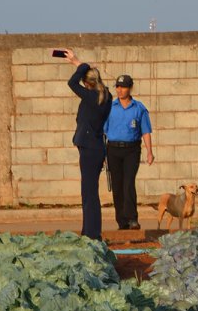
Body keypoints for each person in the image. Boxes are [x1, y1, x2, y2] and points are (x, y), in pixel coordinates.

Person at [59, 50, 109, 240]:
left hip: (89, 149)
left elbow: (71, 83)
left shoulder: (90, 97)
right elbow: (87, 82)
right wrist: (78, 63)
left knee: (88, 194)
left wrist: (81, 65)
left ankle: (92, 234)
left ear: (88, 85)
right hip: (95, 148)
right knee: (89, 192)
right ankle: (89, 231)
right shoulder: (106, 96)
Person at [104, 74, 154, 230]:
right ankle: (121, 220)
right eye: (117, 87)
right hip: (113, 149)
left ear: (130, 88)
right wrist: (102, 154)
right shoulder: (110, 108)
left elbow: (145, 131)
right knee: (117, 186)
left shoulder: (139, 108)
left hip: (131, 150)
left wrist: (149, 152)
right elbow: (102, 132)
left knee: (128, 183)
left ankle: (132, 218)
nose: (120, 90)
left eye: (123, 87)